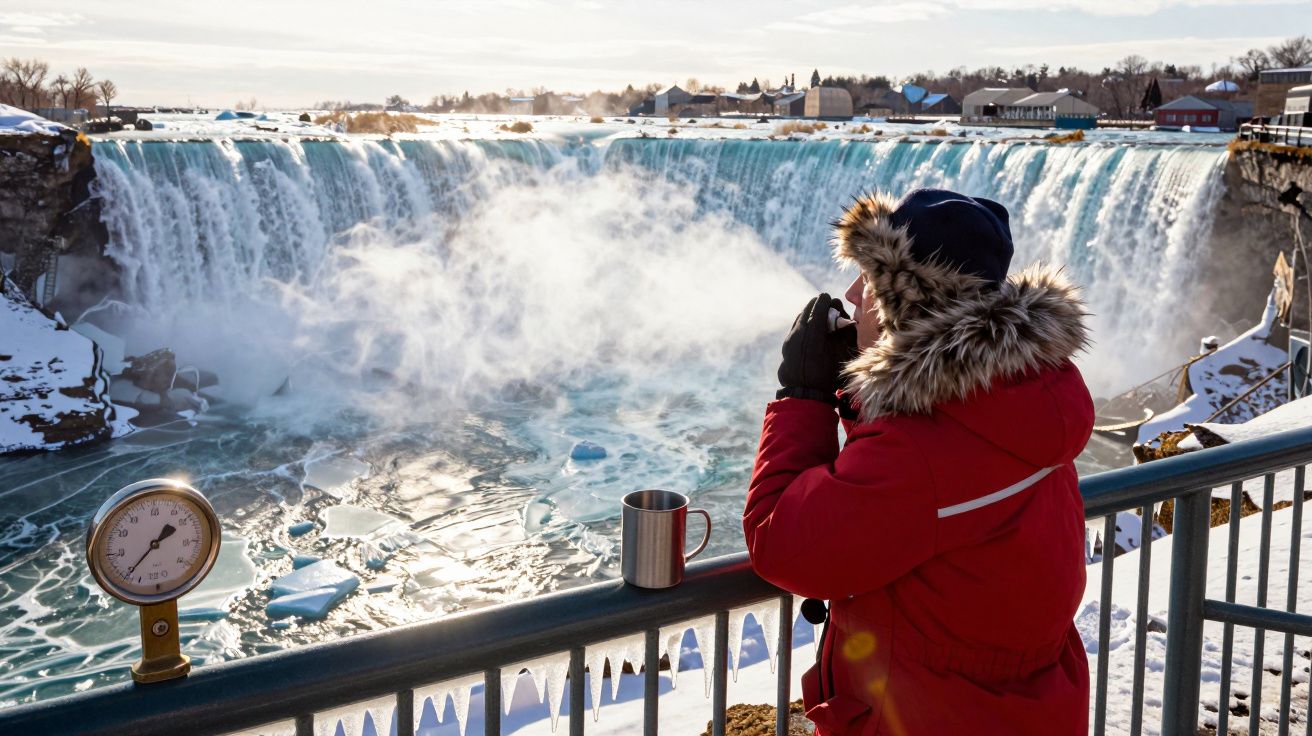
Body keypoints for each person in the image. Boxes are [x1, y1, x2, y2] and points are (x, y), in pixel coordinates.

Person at [743, 188, 1094, 735]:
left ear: (906, 305)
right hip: (1023, 709)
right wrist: (868, 396)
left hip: (933, 714)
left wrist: (802, 400)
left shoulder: (918, 453)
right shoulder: (1028, 391)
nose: (854, 293)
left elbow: (781, 544)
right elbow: (921, 498)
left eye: (870, 280)